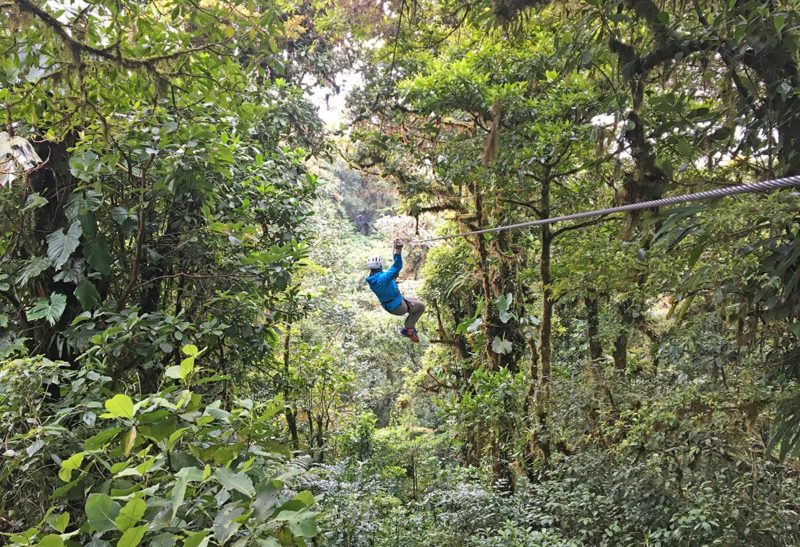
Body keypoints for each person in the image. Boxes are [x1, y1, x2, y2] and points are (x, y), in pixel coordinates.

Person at [365, 239, 425, 343]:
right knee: (421, 307)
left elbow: (387, 280)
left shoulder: (372, 279)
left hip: (392, 304)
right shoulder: (383, 278)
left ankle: (409, 327)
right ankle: (408, 328)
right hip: (398, 306)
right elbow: (397, 266)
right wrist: (398, 250)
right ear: (380, 265)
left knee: (415, 300)